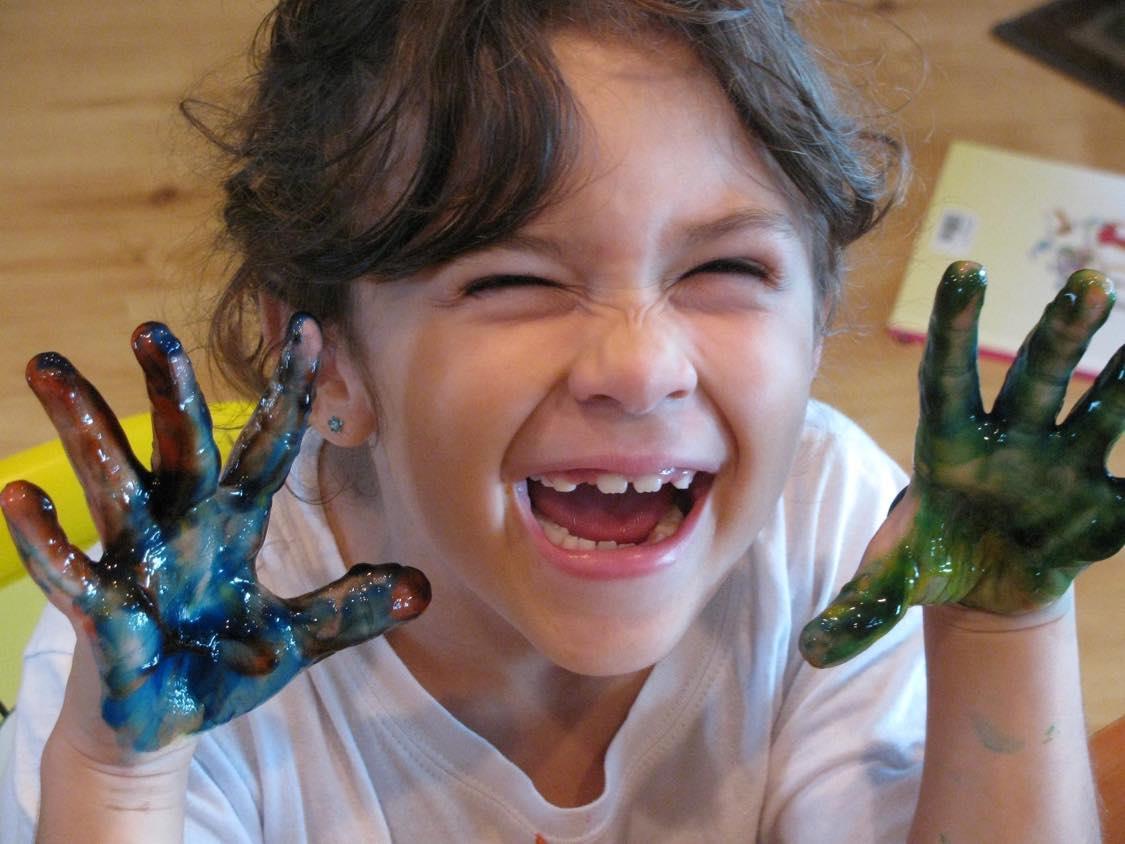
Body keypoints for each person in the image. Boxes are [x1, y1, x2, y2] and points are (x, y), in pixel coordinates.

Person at [0, 1, 1120, 840]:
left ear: (820, 315)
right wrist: (121, 780)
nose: (639, 367)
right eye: (511, 281)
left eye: (726, 268)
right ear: (323, 359)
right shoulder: (158, 673)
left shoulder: (834, 532)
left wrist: (1000, 633)